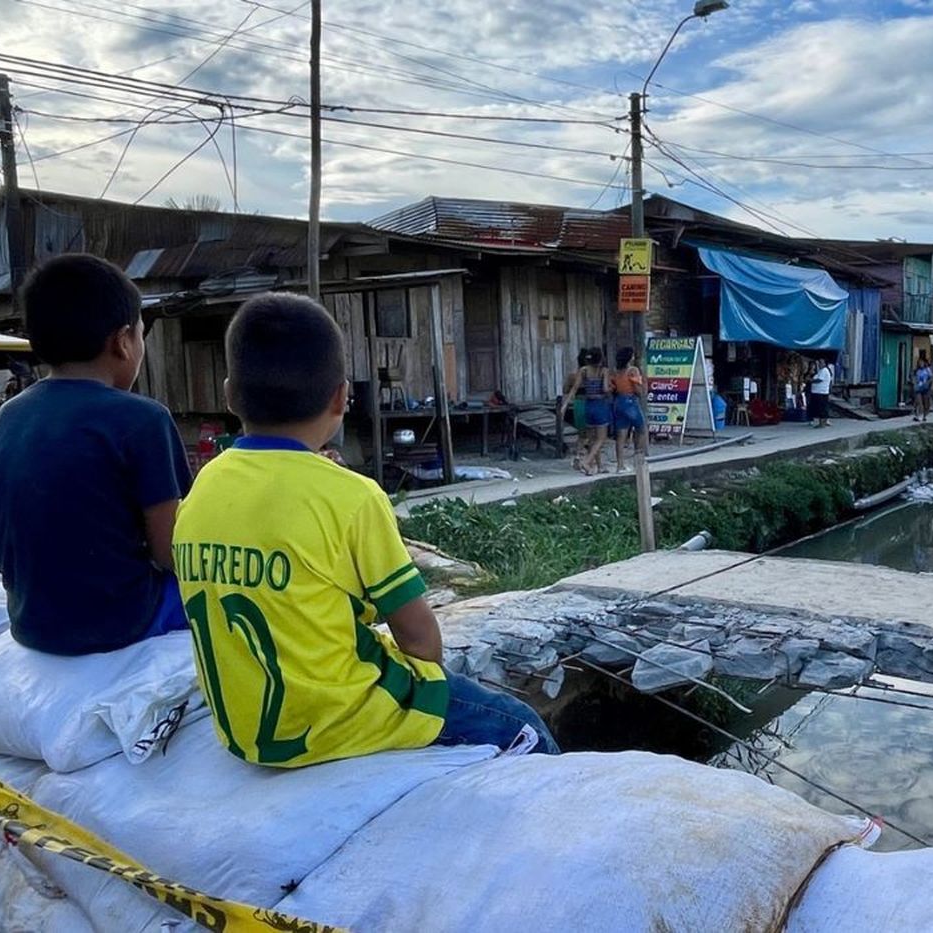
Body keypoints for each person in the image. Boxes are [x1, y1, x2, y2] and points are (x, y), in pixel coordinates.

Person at [174, 294, 558, 767]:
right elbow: (421, 642)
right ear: (341, 398)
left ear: (231, 394)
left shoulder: (202, 487)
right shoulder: (354, 497)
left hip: (246, 734)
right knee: (523, 726)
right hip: (341, 721)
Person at [0, 254, 191, 656]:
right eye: (142, 336)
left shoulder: (8, 416)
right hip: (121, 621)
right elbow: (171, 553)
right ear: (123, 340)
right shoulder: (143, 419)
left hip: (30, 622)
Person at [559, 347, 611, 474]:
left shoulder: (583, 371)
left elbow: (574, 388)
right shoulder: (603, 371)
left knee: (592, 438)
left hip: (588, 406)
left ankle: (599, 466)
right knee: (601, 438)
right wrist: (610, 389)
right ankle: (587, 461)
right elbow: (604, 389)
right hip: (599, 405)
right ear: (601, 358)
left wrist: (565, 405)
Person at [611, 347, 647, 472]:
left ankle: (620, 465)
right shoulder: (633, 370)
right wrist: (642, 388)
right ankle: (638, 459)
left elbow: (613, 387)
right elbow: (637, 389)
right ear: (629, 357)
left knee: (621, 435)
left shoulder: (616, 372)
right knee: (641, 429)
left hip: (619, 402)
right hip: (630, 401)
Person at [808, 357, 834, 428]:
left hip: (821, 392)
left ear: (825, 363)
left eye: (821, 362)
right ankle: (822, 423)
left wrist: (811, 380)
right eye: (819, 362)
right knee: (821, 408)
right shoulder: (821, 371)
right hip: (819, 392)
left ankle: (822, 424)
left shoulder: (824, 370)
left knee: (822, 408)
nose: (819, 364)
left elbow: (819, 380)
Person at [911, 353, 933, 422]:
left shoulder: (927, 370)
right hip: (918, 388)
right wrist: (914, 383)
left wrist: (930, 385)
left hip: (926, 388)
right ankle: (918, 415)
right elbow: (913, 378)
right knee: (918, 402)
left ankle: (924, 415)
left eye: (922, 362)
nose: (921, 364)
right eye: (919, 363)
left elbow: (931, 378)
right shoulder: (917, 371)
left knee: (925, 403)